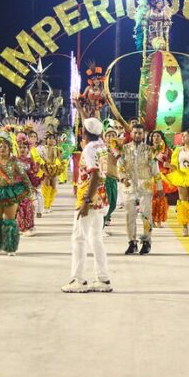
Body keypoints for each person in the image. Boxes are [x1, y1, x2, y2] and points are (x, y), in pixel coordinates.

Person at [62, 118, 113, 293]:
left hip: (89, 199)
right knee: (95, 238)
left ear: (84, 132)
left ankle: (79, 280)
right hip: (101, 198)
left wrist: (86, 202)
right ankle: (103, 278)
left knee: (79, 238)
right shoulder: (101, 145)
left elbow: (95, 175)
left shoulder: (90, 149)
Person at [118, 123, 163, 255]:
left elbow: (155, 169)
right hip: (130, 186)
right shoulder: (124, 149)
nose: (137, 135)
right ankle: (132, 242)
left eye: (140, 133)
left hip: (146, 186)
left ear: (143, 135)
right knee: (129, 215)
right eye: (135, 133)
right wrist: (123, 177)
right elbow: (120, 165)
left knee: (146, 214)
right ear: (131, 134)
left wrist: (159, 187)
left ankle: (146, 241)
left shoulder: (150, 150)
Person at [16, 134, 42, 236]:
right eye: (20, 147)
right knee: (19, 208)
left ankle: (29, 226)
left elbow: (32, 174)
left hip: (27, 187)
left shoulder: (30, 161)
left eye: (24, 147)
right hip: (17, 188)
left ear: (28, 149)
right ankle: (21, 226)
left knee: (28, 206)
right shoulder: (14, 160)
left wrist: (36, 180)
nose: (22, 149)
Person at [149, 130, 175, 228]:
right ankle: (151, 219)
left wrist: (169, 165)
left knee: (160, 198)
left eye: (158, 136)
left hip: (163, 177)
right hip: (150, 177)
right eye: (153, 136)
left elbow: (174, 164)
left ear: (162, 138)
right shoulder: (148, 149)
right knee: (151, 199)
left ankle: (159, 220)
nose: (155, 138)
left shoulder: (167, 150)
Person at [102, 127, 121, 228]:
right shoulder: (101, 148)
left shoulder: (119, 149)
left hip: (114, 178)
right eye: (108, 135)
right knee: (107, 203)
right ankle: (102, 224)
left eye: (113, 135)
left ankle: (105, 219)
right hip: (105, 179)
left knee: (113, 205)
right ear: (104, 138)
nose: (111, 137)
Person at [41, 132, 62, 212]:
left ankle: (49, 205)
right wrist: (45, 170)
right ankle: (45, 205)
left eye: (53, 138)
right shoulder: (43, 149)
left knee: (53, 187)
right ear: (46, 140)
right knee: (46, 187)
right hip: (45, 168)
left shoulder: (57, 149)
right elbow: (41, 160)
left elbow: (59, 159)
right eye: (49, 138)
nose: (51, 140)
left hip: (54, 169)